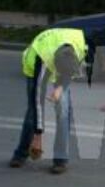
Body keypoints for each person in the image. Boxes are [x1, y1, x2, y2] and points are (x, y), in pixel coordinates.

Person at [9, 28, 94, 174]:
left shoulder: (80, 48)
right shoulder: (44, 59)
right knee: (32, 113)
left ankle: (60, 159)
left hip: (62, 57)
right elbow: (38, 102)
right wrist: (38, 136)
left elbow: (71, 71)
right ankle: (21, 153)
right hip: (34, 69)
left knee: (63, 113)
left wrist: (60, 88)